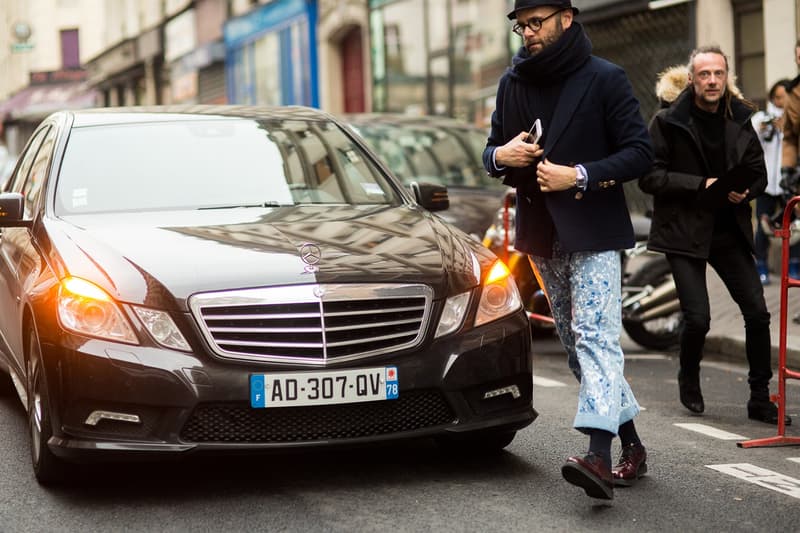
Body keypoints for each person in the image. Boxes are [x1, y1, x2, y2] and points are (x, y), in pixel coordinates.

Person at [482, 0, 653, 500]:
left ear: (567, 18)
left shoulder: (606, 78)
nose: (528, 33)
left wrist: (578, 174)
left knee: (595, 336)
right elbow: (492, 149)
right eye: (521, 25)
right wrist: (501, 156)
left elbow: (640, 152)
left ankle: (598, 457)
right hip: (541, 234)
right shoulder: (514, 82)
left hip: (595, 227)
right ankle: (634, 447)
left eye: (536, 22)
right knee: (579, 350)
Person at [640, 45, 790, 426]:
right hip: (683, 232)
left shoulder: (741, 119)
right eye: (704, 74)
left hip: (728, 231)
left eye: (718, 74)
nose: (711, 81)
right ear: (691, 79)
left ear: (727, 78)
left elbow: (758, 172)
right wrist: (700, 184)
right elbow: (649, 177)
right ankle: (688, 376)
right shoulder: (667, 121)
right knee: (699, 319)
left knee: (757, 313)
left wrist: (747, 191)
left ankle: (759, 397)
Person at [752, 79, 798, 285]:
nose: (781, 101)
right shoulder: (761, 118)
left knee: (794, 227)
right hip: (767, 185)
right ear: (771, 98)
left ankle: (794, 266)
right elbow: (753, 135)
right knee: (763, 225)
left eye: (784, 97)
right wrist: (767, 126)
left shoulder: (794, 116)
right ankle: (760, 265)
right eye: (777, 97)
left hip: (788, 183)